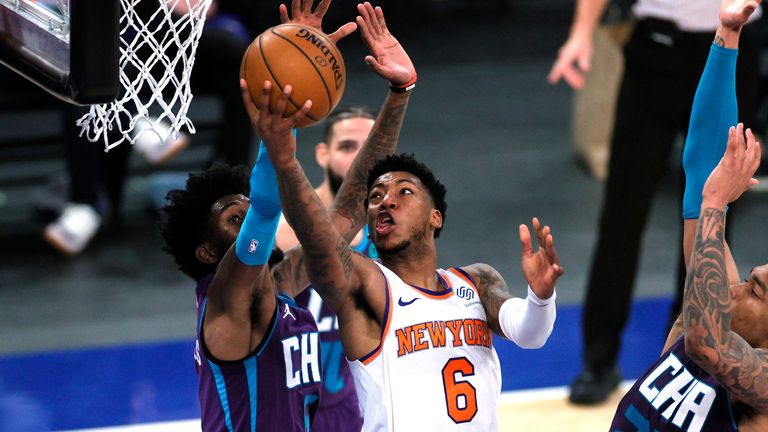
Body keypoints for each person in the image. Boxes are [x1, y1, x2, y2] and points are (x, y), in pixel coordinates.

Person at [251, 4, 563, 430]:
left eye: (404, 191)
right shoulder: (366, 285)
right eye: (376, 196)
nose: (385, 201)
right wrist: (285, 160)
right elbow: (324, 234)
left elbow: (531, 334)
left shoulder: (477, 282)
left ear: (436, 217)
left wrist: (541, 297)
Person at [159, 1, 412, 429]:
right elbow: (264, 208)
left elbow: (351, 206)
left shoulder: (279, 287)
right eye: (232, 220)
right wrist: (284, 111)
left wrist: (399, 94)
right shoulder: (225, 304)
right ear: (206, 252)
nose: (252, 225)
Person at [548, 0, 761, 404]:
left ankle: (691, 360)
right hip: (657, 51)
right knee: (622, 215)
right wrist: (581, 31)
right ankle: (598, 361)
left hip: (733, 49)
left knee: (714, 215)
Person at [611, 1, 768, 430]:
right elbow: (702, 170)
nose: (732, 290)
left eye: (755, 292)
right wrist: (727, 36)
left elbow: (707, 345)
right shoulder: (711, 315)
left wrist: (718, 204)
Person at [275, 105, 378, 431]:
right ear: (322, 153)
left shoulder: (388, 230)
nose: (359, 160)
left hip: (360, 404)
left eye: (368, 149)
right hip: (294, 408)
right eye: (348, 147)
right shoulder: (286, 230)